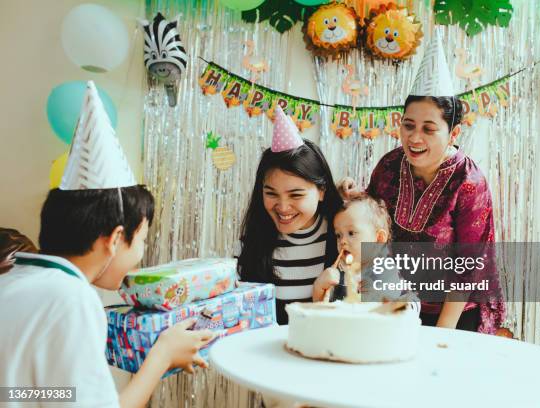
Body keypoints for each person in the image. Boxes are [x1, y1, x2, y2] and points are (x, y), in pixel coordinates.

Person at [0, 82, 214, 408]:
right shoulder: (70, 297)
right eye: (141, 240)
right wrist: (161, 356)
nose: (140, 255)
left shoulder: (15, 277)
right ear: (115, 239)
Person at [340, 34, 505, 334]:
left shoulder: (469, 182)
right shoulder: (390, 165)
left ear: (453, 134)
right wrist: (355, 197)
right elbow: (375, 220)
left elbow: (469, 267)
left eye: (429, 129)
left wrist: (442, 333)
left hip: (454, 314)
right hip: (395, 303)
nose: (415, 138)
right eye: (408, 125)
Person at [237, 106, 343, 325]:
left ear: (321, 191)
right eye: (271, 194)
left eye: (296, 194)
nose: (283, 207)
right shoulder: (253, 242)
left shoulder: (346, 234)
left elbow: (395, 303)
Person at [312, 193, 421, 311]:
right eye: (338, 235)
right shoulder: (339, 271)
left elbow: (385, 307)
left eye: (351, 233)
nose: (342, 241)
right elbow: (322, 309)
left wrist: (372, 296)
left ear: (379, 239)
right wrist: (319, 288)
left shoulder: (385, 269)